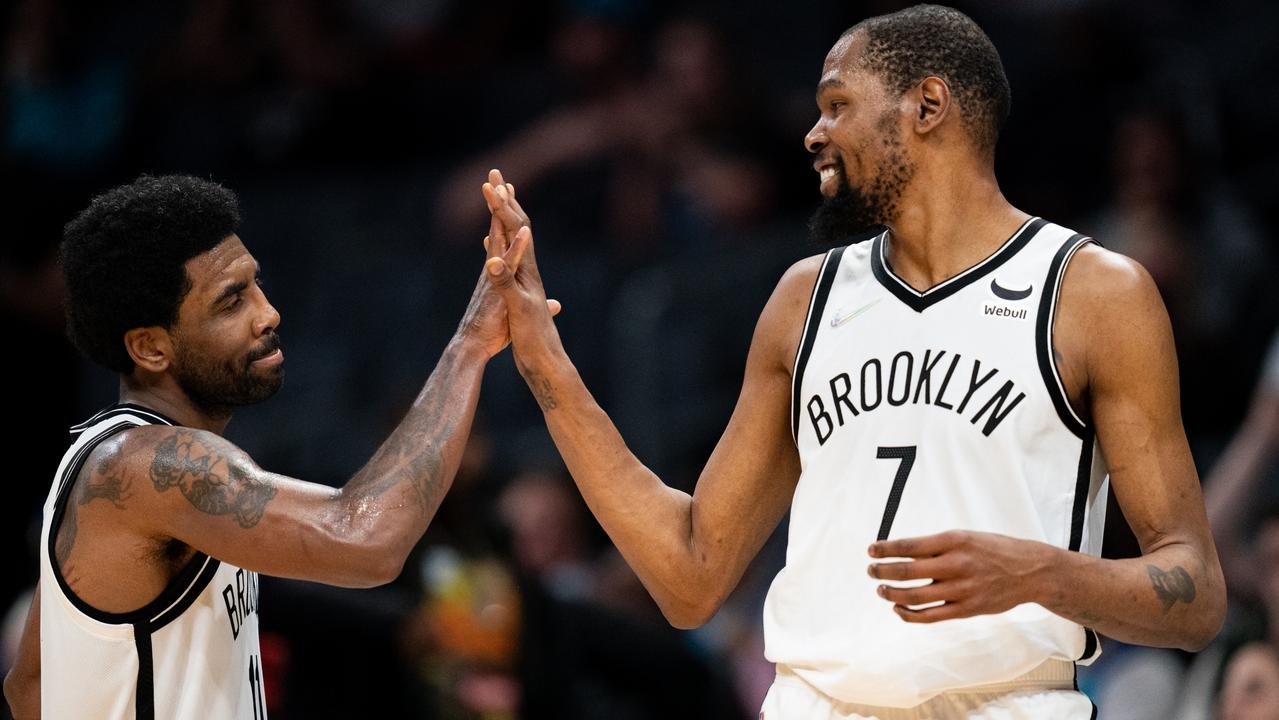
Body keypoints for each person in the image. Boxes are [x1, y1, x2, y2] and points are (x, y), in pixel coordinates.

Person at [478, 4, 1226, 718]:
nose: (812, 133)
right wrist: (544, 364)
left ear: (927, 105)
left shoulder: (1093, 293)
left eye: (836, 104)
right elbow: (690, 577)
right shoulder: (804, 301)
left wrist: (1037, 573)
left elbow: (1193, 595)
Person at [1, 174, 552, 719]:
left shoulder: (130, 462)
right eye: (231, 301)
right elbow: (368, 540)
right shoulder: (148, 468)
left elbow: (29, 687)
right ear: (150, 348)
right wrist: (472, 343)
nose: (268, 313)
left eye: (256, 285)